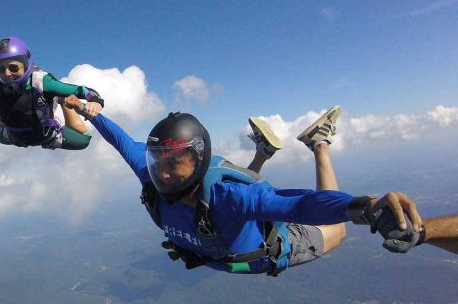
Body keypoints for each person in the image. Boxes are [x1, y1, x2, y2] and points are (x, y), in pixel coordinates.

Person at [66, 98, 422, 275]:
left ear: (197, 160)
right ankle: (262, 153)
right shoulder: (152, 177)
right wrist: (88, 111)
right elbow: (121, 141)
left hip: (271, 245)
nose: (165, 172)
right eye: (159, 160)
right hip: (227, 241)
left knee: (337, 232)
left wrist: (365, 208)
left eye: (176, 162)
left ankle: (319, 144)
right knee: (234, 205)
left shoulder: (231, 198)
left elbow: (299, 205)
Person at [0, 37, 105, 150]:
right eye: (2, 69)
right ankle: (8, 119)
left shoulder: (42, 83)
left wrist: (96, 101)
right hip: (11, 135)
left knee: (84, 141)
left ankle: (63, 102)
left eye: (13, 68)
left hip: (45, 135)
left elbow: (84, 91)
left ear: (26, 64)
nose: (7, 73)